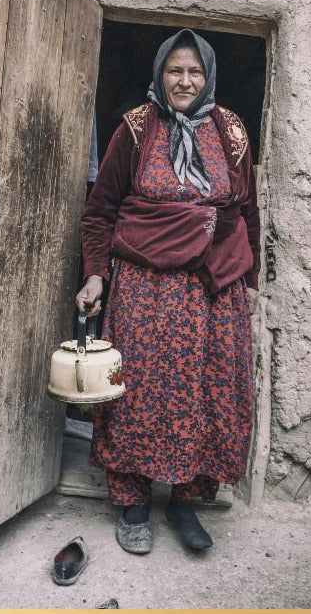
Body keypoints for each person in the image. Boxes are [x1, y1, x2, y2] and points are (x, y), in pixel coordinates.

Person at [76, 29, 259, 555]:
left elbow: (246, 212)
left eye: (194, 72)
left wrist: (248, 282)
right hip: (144, 286)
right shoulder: (136, 129)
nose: (184, 81)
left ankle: (185, 500)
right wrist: (95, 275)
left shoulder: (230, 131)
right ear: (159, 74)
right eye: (174, 71)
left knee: (208, 390)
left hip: (211, 288)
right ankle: (133, 501)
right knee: (137, 389)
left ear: (209, 77)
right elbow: (101, 210)